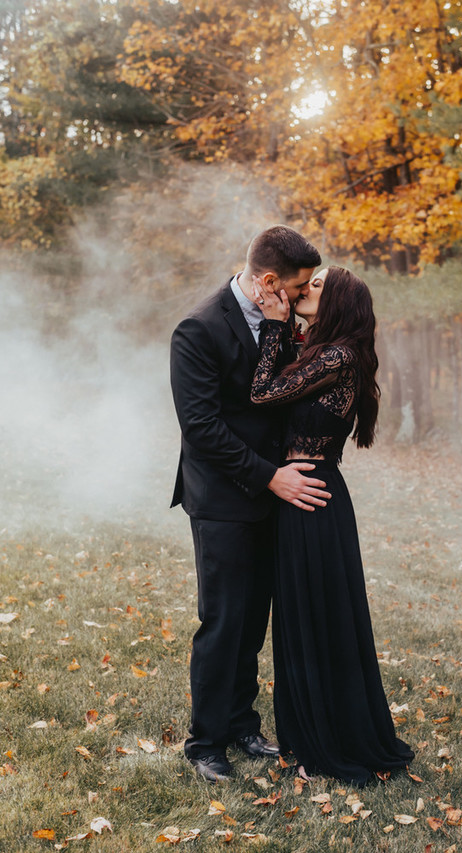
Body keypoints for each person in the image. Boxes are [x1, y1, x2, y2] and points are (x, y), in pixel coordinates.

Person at [169, 226, 331, 783]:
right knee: (223, 621)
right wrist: (271, 479)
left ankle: (241, 723)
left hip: (275, 494)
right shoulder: (199, 328)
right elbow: (202, 428)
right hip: (222, 498)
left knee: (253, 620)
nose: (306, 293)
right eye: (301, 285)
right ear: (269, 283)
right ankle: (205, 741)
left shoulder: (281, 320)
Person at [250, 266, 415, 786]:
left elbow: (263, 393)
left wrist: (275, 326)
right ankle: (312, 731)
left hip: (312, 495)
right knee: (307, 614)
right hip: (306, 491)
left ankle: (330, 738)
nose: (304, 290)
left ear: (338, 302)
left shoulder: (340, 354)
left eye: (316, 286)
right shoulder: (329, 351)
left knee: (317, 615)